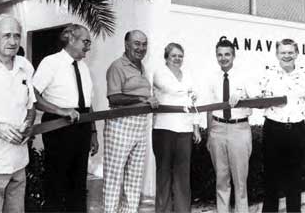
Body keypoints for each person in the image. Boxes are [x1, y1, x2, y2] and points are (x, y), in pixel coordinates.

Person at [32, 24, 99, 212]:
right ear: (70, 39)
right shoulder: (51, 62)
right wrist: (61, 111)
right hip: (58, 126)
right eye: (85, 41)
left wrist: (93, 132)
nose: (88, 47)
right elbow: (33, 96)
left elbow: (87, 102)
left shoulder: (84, 68)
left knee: (78, 183)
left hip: (82, 126)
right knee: (56, 182)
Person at [0, 14, 36, 213]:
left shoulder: (25, 66)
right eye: (7, 35)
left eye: (17, 36)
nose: (13, 42)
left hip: (18, 163)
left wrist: (28, 124)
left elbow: (31, 106)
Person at [260, 38, 305, 213]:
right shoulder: (267, 75)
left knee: (294, 182)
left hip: (296, 131)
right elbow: (256, 99)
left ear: (297, 54)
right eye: (283, 52)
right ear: (277, 54)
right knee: (270, 182)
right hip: (273, 130)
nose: (287, 56)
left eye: (290, 52)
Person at [103, 30, 158, 213]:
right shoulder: (117, 66)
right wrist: (141, 100)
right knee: (113, 177)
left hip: (141, 125)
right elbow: (113, 98)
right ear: (126, 44)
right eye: (136, 43)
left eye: (144, 44)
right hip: (120, 124)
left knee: (134, 179)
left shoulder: (142, 67)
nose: (141, 48)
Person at [152, 42, 202, 213]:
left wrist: (196, 127)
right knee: (164, 174)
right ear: (166, 57)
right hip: (164, 129)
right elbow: (170, 89)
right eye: (173, 55)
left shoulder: (188, 74)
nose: (177, 59)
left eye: (180, 56)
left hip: (185, 130)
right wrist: (188, 92)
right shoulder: (160, 73)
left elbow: (195, 101)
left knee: (183, 176)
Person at [206, 38, 254, 213]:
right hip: (217, 130)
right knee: (221, 180)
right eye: (220, 55)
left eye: (227, 54)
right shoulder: (212, 78)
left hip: (239, 130)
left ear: (234, 55)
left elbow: (257, 99)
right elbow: (209, 109)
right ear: (216, 56)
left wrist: (241, 96)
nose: (223, 58)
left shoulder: (245, 76)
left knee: (240, 182)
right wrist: (210, 135)